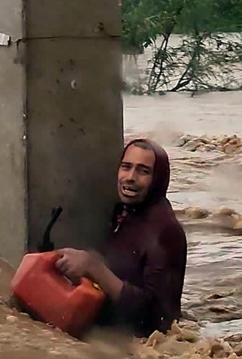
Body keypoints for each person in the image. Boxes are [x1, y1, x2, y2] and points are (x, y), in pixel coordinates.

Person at [54, 138, 187, 338]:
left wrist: (94, 268)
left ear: (158, 179)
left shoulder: (166, 232)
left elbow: (158, 320)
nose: (130, 177)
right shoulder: (125, 213)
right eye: (126, 167)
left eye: (143, 171)